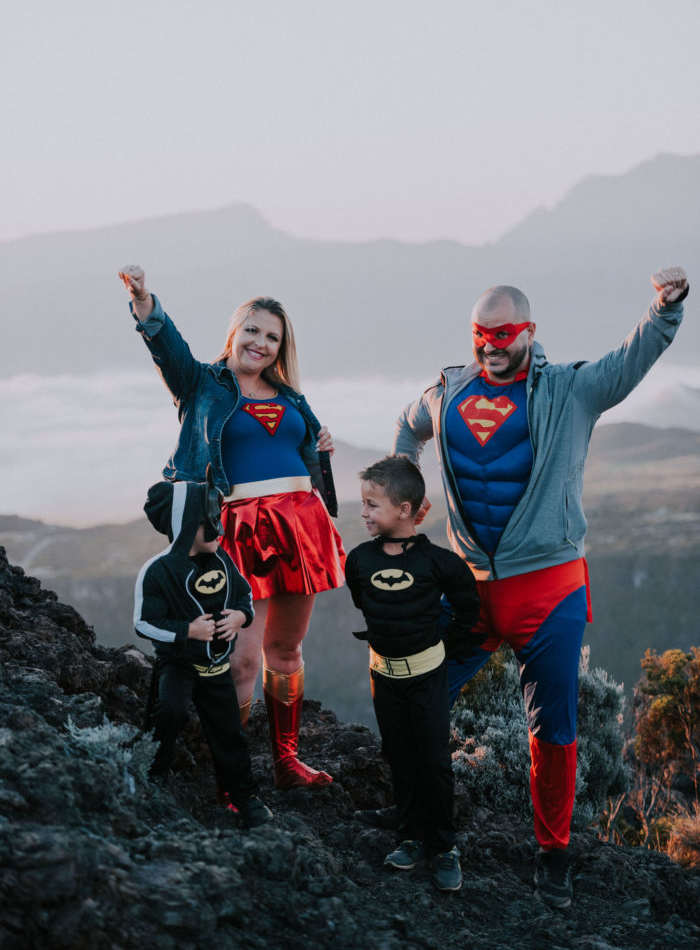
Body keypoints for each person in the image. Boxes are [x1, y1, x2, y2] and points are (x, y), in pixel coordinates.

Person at [392, 267, 689, 908]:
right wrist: (401, 493)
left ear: (529, 331)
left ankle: (554, 855)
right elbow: (407, 426)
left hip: (548, 589)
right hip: (470, 588)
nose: (490, 344)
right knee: (417, 700)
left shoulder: (570, 390)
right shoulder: (447, 390)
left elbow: (629, 361)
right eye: (480, 333)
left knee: (552, 727)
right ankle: (422, 828)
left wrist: (665, 310)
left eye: (503, 332)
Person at [120, 265, 345, 790]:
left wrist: (321, 445)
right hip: (238, 529)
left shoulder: (291, 396)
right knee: (241, 660)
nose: (260, 343)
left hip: (299, 527)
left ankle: (287, 763)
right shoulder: (202, 384)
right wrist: (145, 303)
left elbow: (302, 455)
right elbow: (166, 349)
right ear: (234, 332)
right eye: (252, 330)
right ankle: (233, 779)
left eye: (272, 336)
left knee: (287, 651)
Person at [344, 456, 481, 893]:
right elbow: (365, 603)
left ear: (405, 509)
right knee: (399, 757)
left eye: (372, 504)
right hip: (383, 677)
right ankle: (409, 837)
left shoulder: (441, 564)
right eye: (363, 504)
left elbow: (468, 612)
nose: (363, 512)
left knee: (435, 763)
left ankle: (443, 847)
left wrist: (442, 649)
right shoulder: (359, 559)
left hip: (427, 679)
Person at [134, 474, 272, 828]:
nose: (218, 530)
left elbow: (244, 595)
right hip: (178, 664)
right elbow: (144, 623)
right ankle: (153, 776)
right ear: (183, 525)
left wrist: (241, 616)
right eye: (209, 522)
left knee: (229, 733)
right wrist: (187, 631)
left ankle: (243, 795)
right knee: (169, 713)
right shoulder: (158, 571)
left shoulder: (223, 560)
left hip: (216, 669)